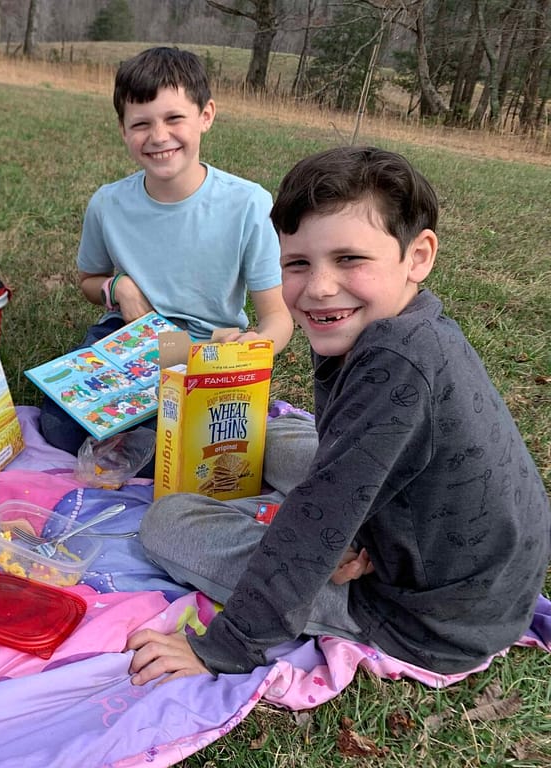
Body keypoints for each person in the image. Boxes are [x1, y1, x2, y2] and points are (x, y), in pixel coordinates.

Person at [127, 145, 551, 682]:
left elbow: (313, 523)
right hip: (451, 555)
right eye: (298, 264)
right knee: (276, 436)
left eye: (350, 258)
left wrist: (226, 646)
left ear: (417, 256)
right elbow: (356, 465)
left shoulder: (398, 361)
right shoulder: (389, 325)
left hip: (431, 619)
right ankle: (357, 535)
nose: (320, 287)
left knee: (168, 522)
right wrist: (357, 530)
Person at [38, 46, 293, 466]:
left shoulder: (248, 204)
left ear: (206, 116)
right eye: (141, 124)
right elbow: (88, 279)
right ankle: (142, 446)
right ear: (123, 130)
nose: (158, 137)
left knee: (191, 443)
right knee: (59, 424)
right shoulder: (108, 204)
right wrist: (118, 286)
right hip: (126, 340)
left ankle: (146, 447)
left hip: (207, 346)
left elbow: (277, 317)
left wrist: (252, 346)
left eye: (174, 118)